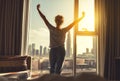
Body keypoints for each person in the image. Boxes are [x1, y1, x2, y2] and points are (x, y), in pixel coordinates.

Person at [37, 4, 85, 74]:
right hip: (61, 50)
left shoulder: (51, 28)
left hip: (53, 50)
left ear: (55, 21)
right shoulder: (64, 30)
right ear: (62, 22)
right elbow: (74, 23)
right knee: (58, 69)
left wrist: (38, 9)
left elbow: (44, 18)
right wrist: (82, 17)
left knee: (52, 69)